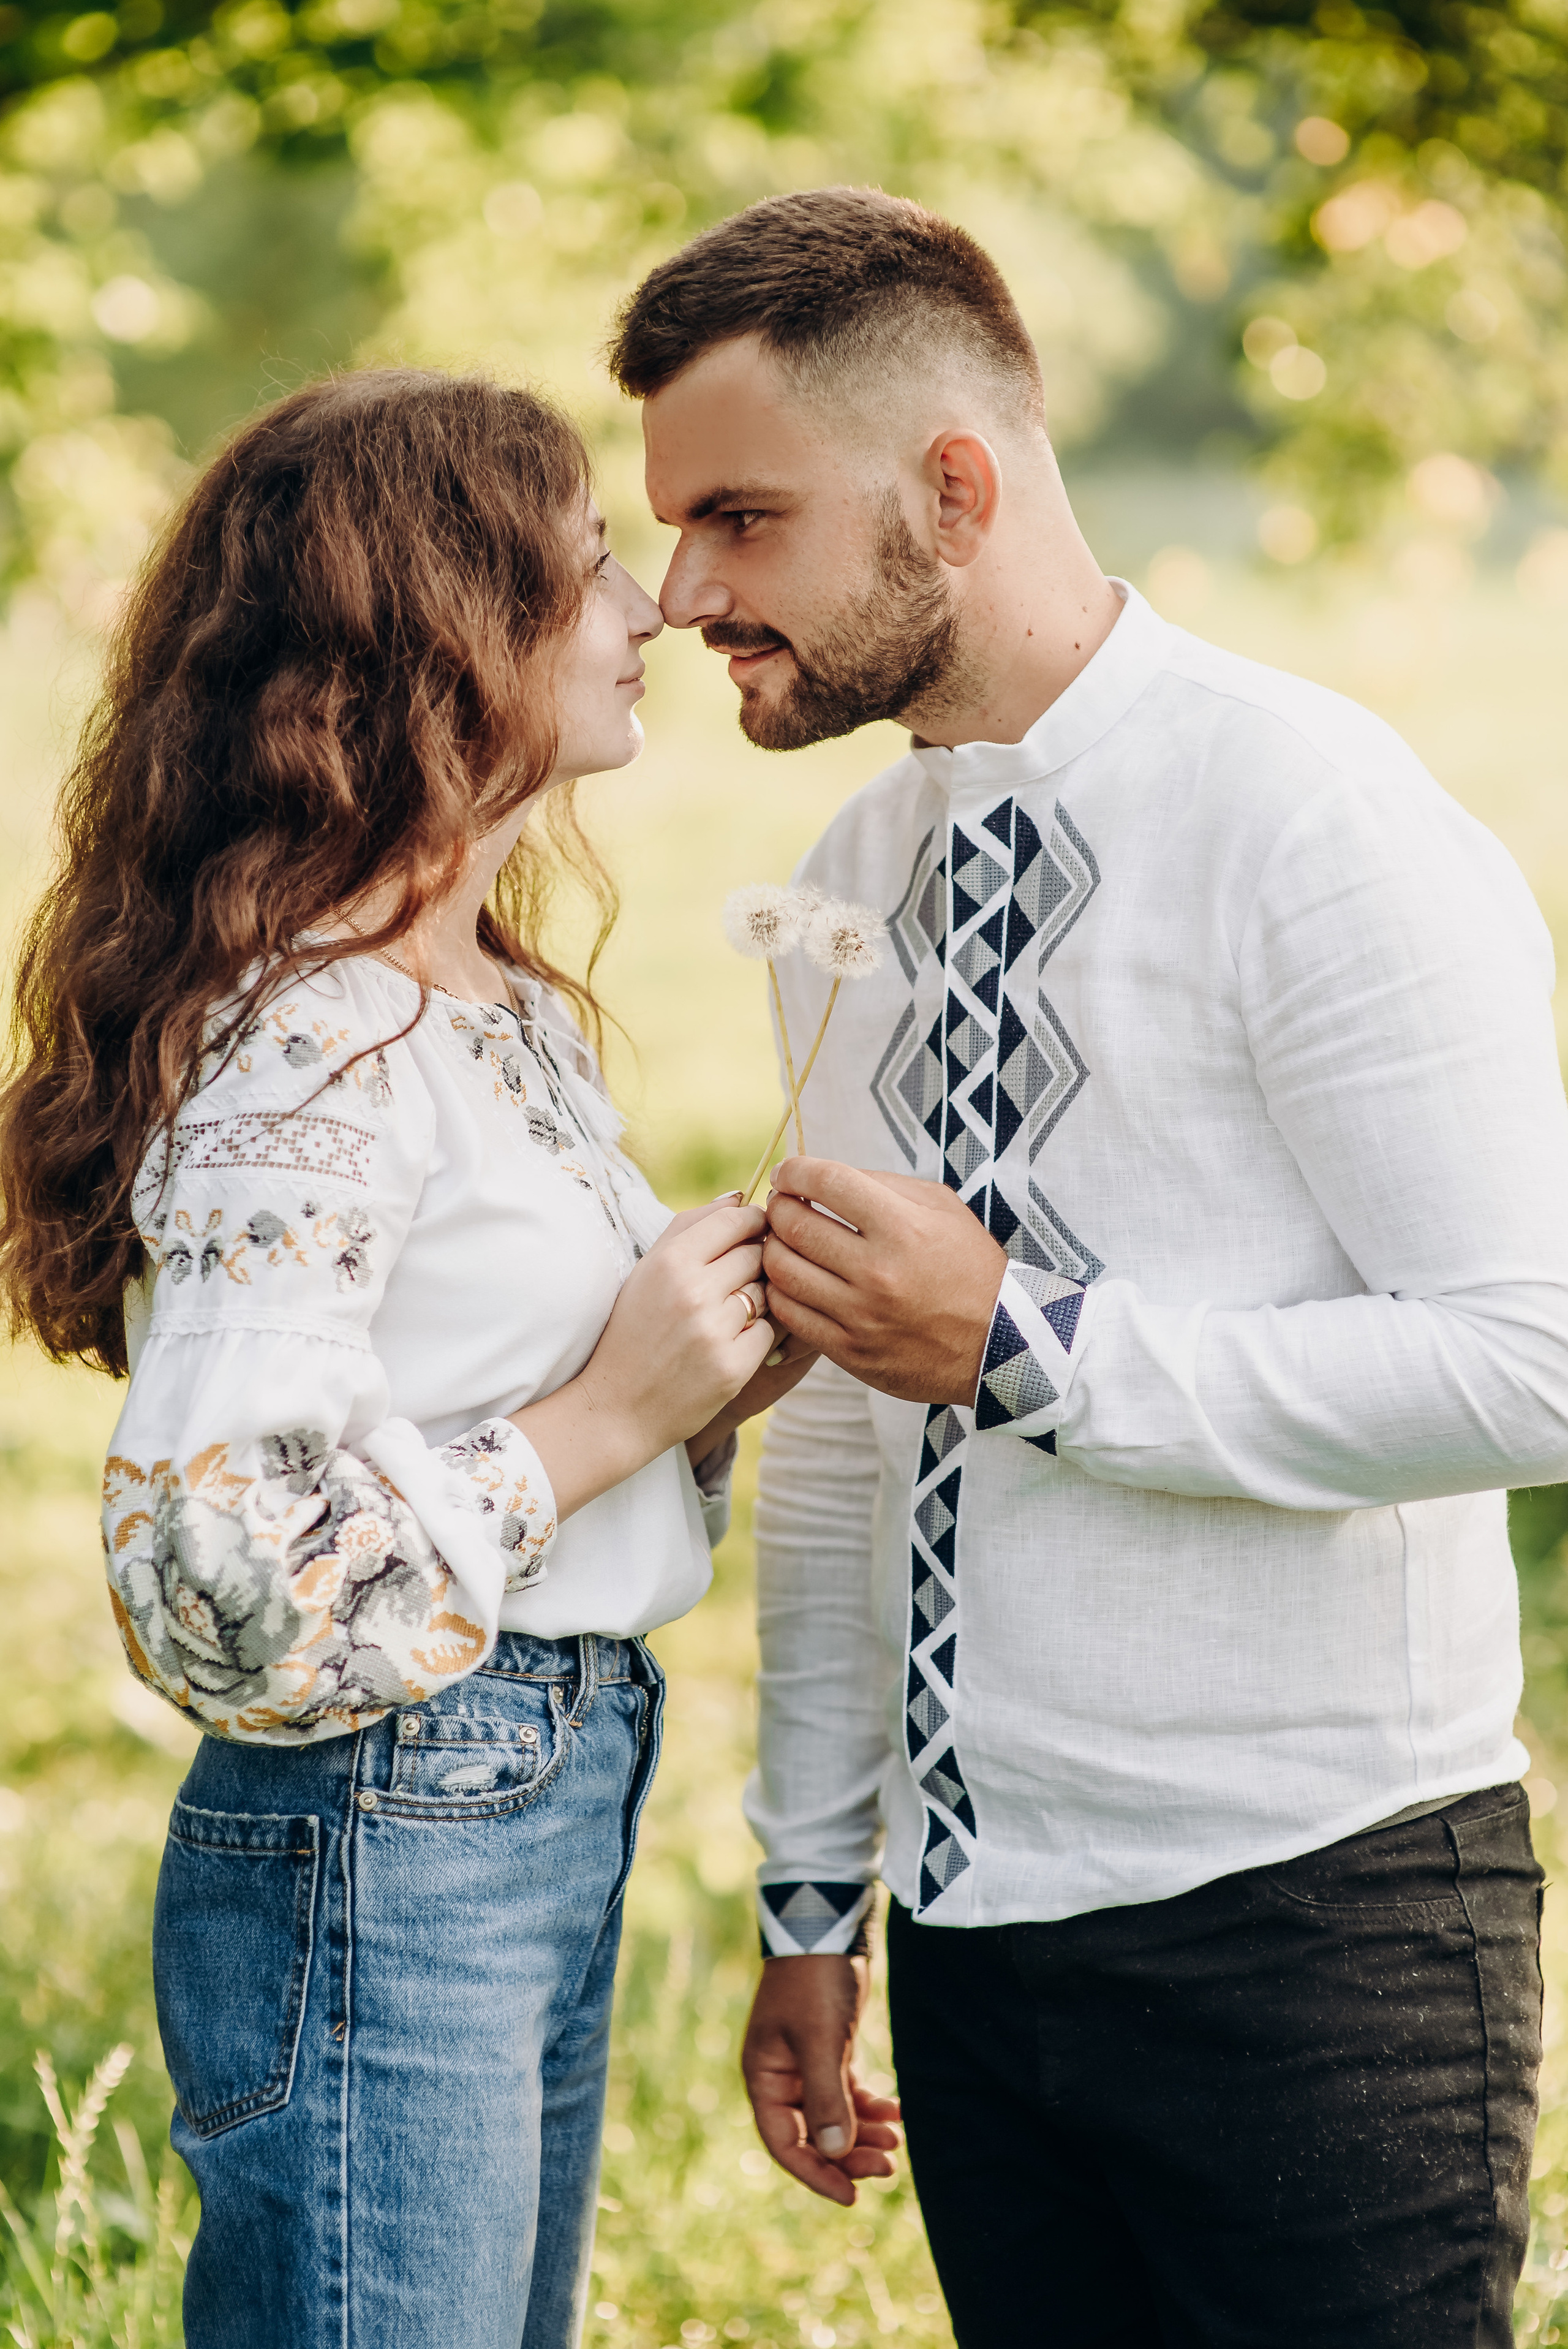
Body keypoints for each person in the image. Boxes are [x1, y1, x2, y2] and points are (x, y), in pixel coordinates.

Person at [609, 189, 1568, 2344]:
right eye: (675, 535)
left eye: (740, 523)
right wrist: (814, 1886)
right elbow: (851, 1438)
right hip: (973, 1952)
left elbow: (1536, 1361)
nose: (681, 598)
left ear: (956, 489)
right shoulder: (858, 871)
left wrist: (1030, 1348)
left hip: (1312, 1930)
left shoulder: (1315, 817)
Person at [0, 369, 825, 2349]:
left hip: (528, 1780)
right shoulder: (314, 1040)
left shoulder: (486, 1009)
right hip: (393, 1814)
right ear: (442, 634)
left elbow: (481, 1408)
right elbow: (217, 1591)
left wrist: (705, 1382)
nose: (653, 612)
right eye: (596, 566)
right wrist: (611, 1406)